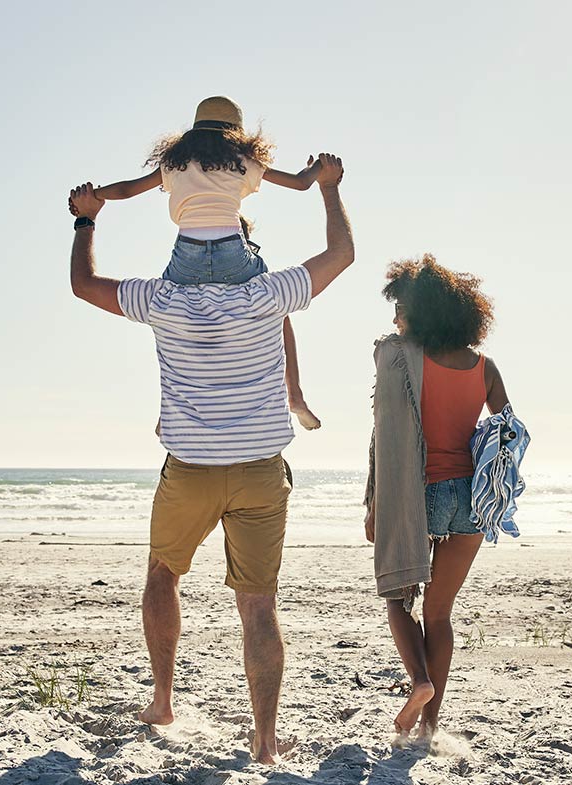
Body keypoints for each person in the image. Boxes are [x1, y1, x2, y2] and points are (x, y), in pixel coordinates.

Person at [65, 153, 350, 765]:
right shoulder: (270, 295)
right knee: (258, 607)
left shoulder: (162, 299)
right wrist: (327, 189)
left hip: (190, 469)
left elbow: (84, 286)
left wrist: (87, 221)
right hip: (260, 472)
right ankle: (266, 740)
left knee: (162, 575)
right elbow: (341, 254)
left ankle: (163, 701)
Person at [79, 95, 326, 430]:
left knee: (165, 316)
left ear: (192, 134)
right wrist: (316, 170)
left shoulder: (176, 164)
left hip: (187, 257)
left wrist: (92, 197)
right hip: (232, 254)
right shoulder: (242, 161)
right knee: (276, 308)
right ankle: (294, 393)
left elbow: (126, 190)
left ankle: (167, 412)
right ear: (237, 134)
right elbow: (299, 183)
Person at [363, 255, 511, 737]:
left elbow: (383, 434)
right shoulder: (485, 367)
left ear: (423, 310)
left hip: (415, 495)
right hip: (470, 496)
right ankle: (430, 723)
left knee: (397, 601)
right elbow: (510, 433)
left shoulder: (400, 357)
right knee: (440, 614)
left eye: (402, 306)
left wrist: (374, 502)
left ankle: (420, 682)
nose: (395, 317)